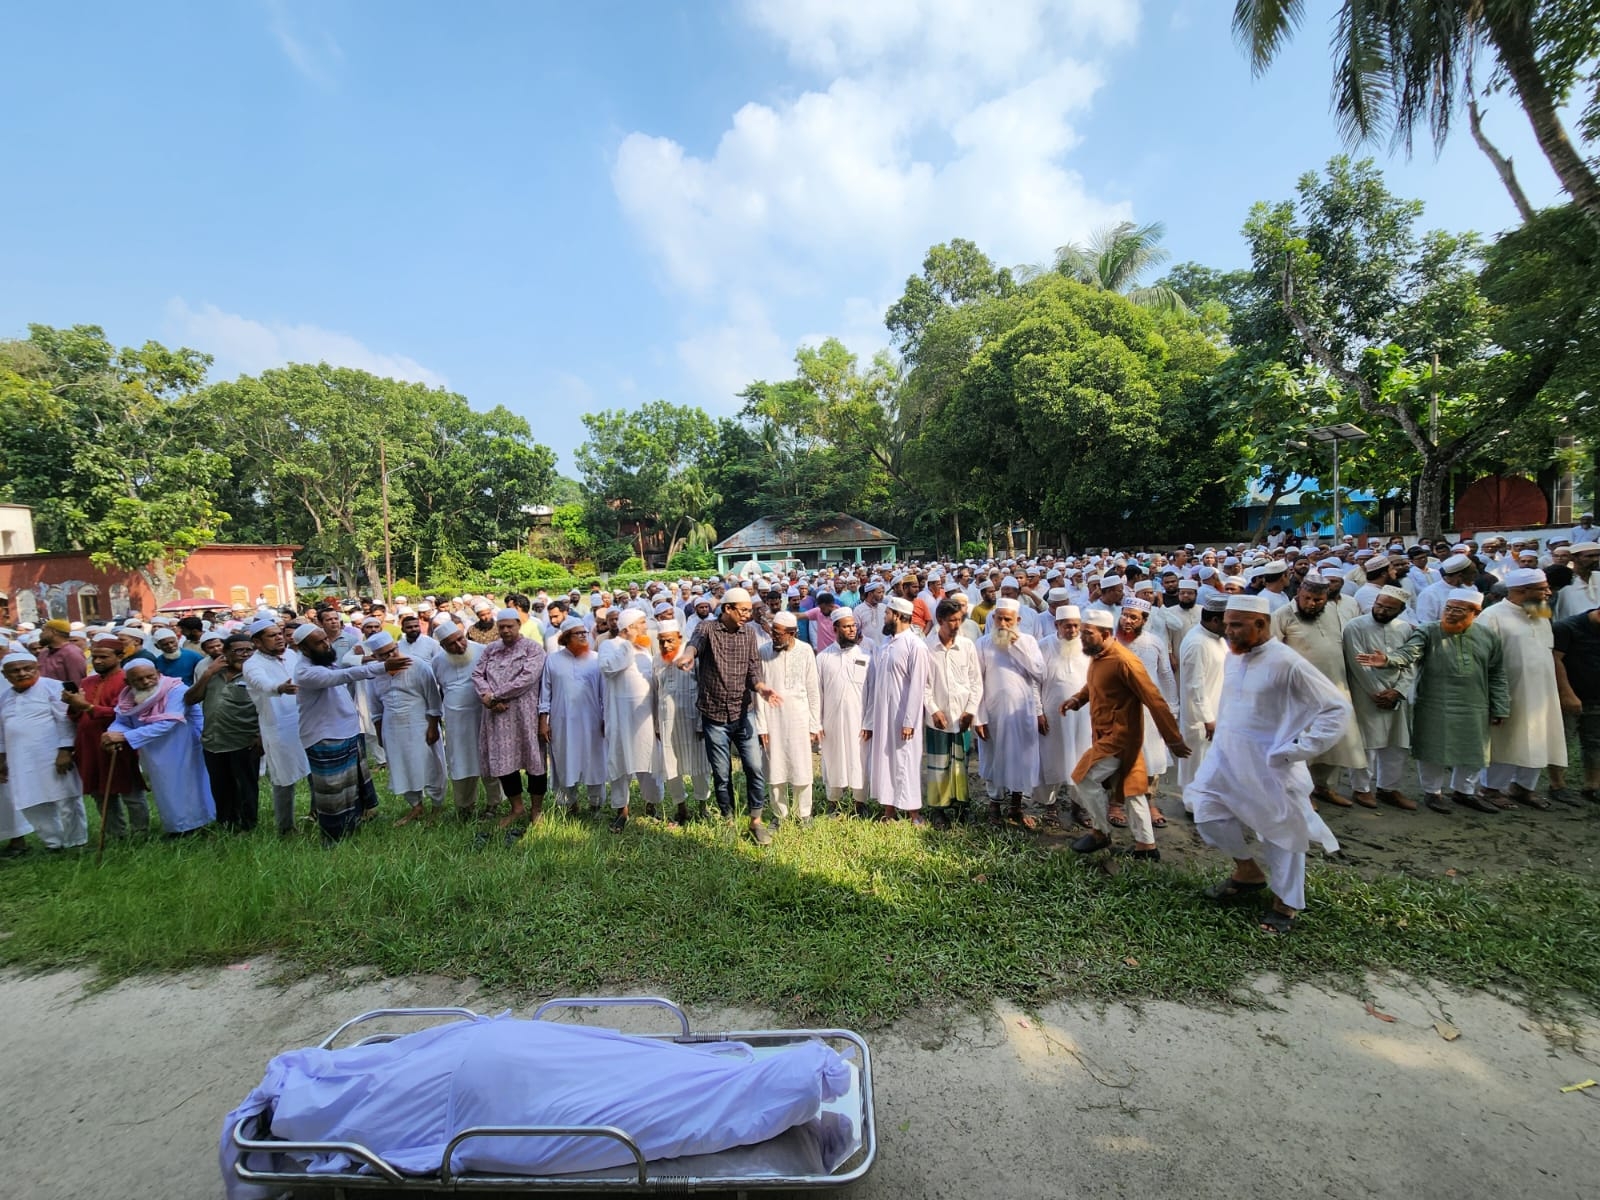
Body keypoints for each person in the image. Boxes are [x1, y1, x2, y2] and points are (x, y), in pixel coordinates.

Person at [1187, 595, 1351, 935]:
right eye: (1226, 624)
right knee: (1206, 811)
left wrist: (1298, 749)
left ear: (1261, 624)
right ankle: (1247, 872)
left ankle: (1286, 903)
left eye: (1236, 625)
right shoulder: (1235, 657)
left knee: (1283, 834)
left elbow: (1335, 708)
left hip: (1272, 764)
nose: (1227, 631)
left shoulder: (1286, 662)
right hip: (1227, 757)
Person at [1355, 588, 1510, 814]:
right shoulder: (1429, 631)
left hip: (1475, 701)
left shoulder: (1487, 636)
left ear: (1475, 612)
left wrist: (1500, 706)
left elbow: (1497, 673)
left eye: (1458, 610)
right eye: (1448, 608)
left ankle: (1464, 791)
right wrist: (1388, 660)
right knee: (1434, 747)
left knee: (1474, 748)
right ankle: (1433, 792)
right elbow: (1409, 653)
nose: (1451, 614)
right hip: (1436, 701)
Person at [1065, 610, 1189, 861]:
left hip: (1120, 737)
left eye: (1087, 634)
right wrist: (1078, 699)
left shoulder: (1125, 661)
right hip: (1105, 734)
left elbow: (1154, 700)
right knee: (1133, 789)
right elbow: (1095, 684)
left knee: (1084, 778)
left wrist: (1173, 738)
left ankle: (1100, 831)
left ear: (1106, 634)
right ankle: (1147, 846)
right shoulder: (1098, 654)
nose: (1082, 638)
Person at [671, 587, 782, 844]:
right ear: (728, 609)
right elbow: (693, 646)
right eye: (743, 610)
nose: (747, 615)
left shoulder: (749, 635)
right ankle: (728, 820)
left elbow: (754, 670)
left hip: (744, 713)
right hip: (714, 715)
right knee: (722, 774)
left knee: (754, 767)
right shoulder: (707, 629)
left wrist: (762, 688)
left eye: (748, 610)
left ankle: (756, 820)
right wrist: (687, 657)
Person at [290, 624, 411, 841]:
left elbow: (345, 668)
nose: (326, 644)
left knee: (351, 786)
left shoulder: (326, 663)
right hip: (325, 737)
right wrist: (382, 666)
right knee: (333, 790)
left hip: (348, 732)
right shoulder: (305, 671)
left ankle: (352, 825)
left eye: (325, 639)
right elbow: (345, 675)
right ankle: (333, 835)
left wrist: (373, 661)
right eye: (318, 642)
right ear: (304, 649)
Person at [1270, 573, 1370, 808]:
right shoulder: (1282, 615)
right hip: (1300, 694)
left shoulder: (1333, 612)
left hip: (1336, 688)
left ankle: (1325, 787)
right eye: (1307, 598)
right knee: (1304, 744)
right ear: (1299, 594)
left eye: (1318, 600)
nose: (1312, 604)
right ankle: (1301, 792)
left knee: (1335, 741)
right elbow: (1271, 654)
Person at [1477, 568, 1567, 809]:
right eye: (1542, 588)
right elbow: (1482, 660)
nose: (1548, 592)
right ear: (1520, 591)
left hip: (1542, 692)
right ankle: (1491, 788)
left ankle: (1523, 788)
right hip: (1509, 692)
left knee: (1541, 736)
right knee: (1507, 740)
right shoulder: (1492, 616)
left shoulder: (1539, 611)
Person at [102, 658, 215, 837]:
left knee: (189, 787)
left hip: (183, 746)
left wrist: (124, 736)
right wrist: (112, 734)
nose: (145, 682)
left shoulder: (176, 690)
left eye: (150, 676)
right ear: (128, 681)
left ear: (158, 673)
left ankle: (197, 827)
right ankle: (176, 827)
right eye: (138, 679)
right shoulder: (128, 696)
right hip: (154, 751)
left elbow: (168, 722)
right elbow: (122, 721)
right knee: (165, 790)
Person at [1340, 587, 1419, 810]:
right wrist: (1377, 692)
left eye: (1389, 608)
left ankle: (1388, 788)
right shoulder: (1356, 626)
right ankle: (1361, 789)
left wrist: (1398, 691)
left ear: (1401, 610)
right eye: (1379, 605)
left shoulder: (1404, 628)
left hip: (1395, 695)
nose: (1382, 611)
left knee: (1397, 744)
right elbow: (1357, 664)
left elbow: (1411, 662)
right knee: (1366, 744)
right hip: (1366, 694)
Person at [63, 632, 148, 838]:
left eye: (104, 657)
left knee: (130, 792)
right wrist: (74, 705)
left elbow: (127, 712)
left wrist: (88, 706)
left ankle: (140, 834)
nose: (98, 661)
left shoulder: (128, 681)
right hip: (89, 745)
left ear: (119, 657)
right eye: (95, 656)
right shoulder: (87, 682)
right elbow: (76, 716)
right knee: (101, 793)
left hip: (118, 742)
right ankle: (115, 834)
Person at [0, 649, 87, 850]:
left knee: (66, 798)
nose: (22, 673)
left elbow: (65, 720)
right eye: (15, 671)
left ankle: (76, 841)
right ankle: (53, 843)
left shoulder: (54, 688)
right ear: (5, 675)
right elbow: (2, 730)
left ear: (37, 668)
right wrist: (1, 758)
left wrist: (65, 750)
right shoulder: (5, 697)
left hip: (53, 754)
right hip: (19, 758)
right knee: (30, 802)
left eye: (27, 669)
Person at [472, 609, 550, 830]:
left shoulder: (533, 649)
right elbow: (477, 674)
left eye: (510, 626)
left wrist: (495, 695)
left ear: (518, 625)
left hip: (525, 714)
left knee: (534, 761)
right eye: (502, 626)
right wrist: (488, 699)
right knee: (505, 762)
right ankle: (517, 808)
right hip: (497, 716)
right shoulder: (491, 650)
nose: (505, 630)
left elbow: (527, 678)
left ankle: (537, 809)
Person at [973, 597, 1045, 828]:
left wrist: (1018, 646)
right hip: (992, 714)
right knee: (994, 758)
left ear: (1018, 621)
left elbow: (1039, 674)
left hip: (1022, 713)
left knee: (1020, 760)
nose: (1003, 624)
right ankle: (994, 805)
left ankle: (1016, 806)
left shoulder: (1029, 642)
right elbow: (977, 682)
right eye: (999, 619)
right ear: (993, 619)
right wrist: (979, 717)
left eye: (1008, 620)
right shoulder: (983, 643)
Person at [860, 595, 931, 822]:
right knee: (885, 760)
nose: (885, 616)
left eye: (888, 613)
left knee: (906, 761)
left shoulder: (915, 645)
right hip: (883, 715)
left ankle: (913, 813)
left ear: (899, 616)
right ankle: (889, 811)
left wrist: (910, 721)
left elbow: (918, 687)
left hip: (903, 717)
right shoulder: (885, 646)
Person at [185, 635, 264, 831]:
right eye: (239, 650)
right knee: (220, 786)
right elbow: (190, 699)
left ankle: (247, 826)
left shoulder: (257, 675)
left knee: (245, 786)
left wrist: (261, 735)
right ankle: (226, 823)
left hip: (245, 740)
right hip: (213, 740)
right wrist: (207, 674)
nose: (245, 655)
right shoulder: (211, 673)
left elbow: (269, 707)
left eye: (249, 650)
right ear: (225, 653)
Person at [369, 632, 448, 826]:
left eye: (392, 651)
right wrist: (380, 735)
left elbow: (433, 699)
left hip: (420, 724)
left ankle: (437, 807)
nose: (390, 657)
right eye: (383, 655)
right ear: (375, 657)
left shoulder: (418, 665)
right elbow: (376, 709)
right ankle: (416, 806)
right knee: (401, 765)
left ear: (397, 646)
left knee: (431, 765)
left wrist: (433, 727)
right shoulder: (374, 673)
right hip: (392, 728)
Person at [753, 610, 822, 828]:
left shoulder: (805, 651)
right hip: (772, 719)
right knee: (775, 767)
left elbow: (813, 690)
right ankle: (779, 814)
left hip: (799, 718)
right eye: (773, 631)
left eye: (778, 633)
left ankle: (804, 813)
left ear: (792, 633)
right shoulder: (764, 651)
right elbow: (758, 693)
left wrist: (814, 724)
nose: (773, 636)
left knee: (802, 766)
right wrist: (761, 726)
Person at [242, 617, 310, 834]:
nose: (279, 638)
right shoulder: (252, 664)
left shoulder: (292, 655)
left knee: (317, 770)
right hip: (278, 727)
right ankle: (286, 827)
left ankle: (319, 813)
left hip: (306, 720)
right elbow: (261, 683)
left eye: (280, 633)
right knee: (283, 778)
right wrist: (279, 688)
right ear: (258, 643)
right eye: (272, 636)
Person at [597, 609, 662, 830]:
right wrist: (627, 643)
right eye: (641, 623)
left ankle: (651, 804)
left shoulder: (645, 649)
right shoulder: (610, 645)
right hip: (619, 716)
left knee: (648, 758)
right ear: (629, 627)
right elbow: (608, 668)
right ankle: (621, 810)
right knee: (620, 761)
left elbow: (652, 684)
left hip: (644, 718)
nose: (645, 627)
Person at [429, 620, 497, 820]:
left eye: (460, 639)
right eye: (452, 644)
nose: (459, 646)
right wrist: (434, 723)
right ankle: (465, 806)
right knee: (460, 761)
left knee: (488, 759)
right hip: (456, 721)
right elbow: (436, 693)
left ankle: (494, 803)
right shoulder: (438, 661)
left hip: (484, 716)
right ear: (443, 646)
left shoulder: (484, 652)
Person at [540, 620, 604, 816]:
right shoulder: (552, 660)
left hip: (592, 720)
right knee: (565, 759)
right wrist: (543, 721)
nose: (584, 636)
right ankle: (569, 804)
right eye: (578, 633)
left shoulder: (596, 659)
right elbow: (545, 693)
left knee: (594, 760)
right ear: (566, 638)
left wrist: (606, 718)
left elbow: (604, 693)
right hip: (562, 721)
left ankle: (596, 804)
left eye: (585, 632)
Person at [1035, 605, 1091, 828]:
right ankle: (1050, 807)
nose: (1073, 630)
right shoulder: (1043, 646)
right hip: (1052, 714)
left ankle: (1079, 806)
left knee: (1082, 758)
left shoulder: (1089, 645)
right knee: (1051, 759)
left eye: (1077, 625)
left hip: (1083, 715)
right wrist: (1038, 711)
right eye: (1068, 625)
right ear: (1057, 625)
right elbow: (1033, 682)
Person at [652, 619, 709, 824]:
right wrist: (657, 725)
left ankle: (703, 806)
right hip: (667, 724)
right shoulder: (657, 660)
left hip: (693, 721)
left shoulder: (692, 657)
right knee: (671, 765)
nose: (665, 646)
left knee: (700, 764)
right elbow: (656, 692)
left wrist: (703, 721)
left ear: (680, 638)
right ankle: (681, 808)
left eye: (669, 641)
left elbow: (704, 690)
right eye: (661, 642)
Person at [1176, 596, 1228, 814]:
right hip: (1201, 719)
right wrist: (1208, 718)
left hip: (1216, 712)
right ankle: (1193, 806)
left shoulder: (1217, 638)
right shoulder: (1197, 642)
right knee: (1196, 764)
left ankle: (1206, 802)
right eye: (1229, 621)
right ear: (1216, 620)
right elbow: (1194, 686)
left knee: (1209, 764)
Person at [816, 610, 870, 817]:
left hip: (859, 721)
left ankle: (860, 802)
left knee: (859, 760)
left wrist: (869, 722)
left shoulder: (866, 656)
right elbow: (817, 693)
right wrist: (817, 723)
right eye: (846, 627)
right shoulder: (823, 658)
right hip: (831, 721)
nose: (851, 630)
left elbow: (872, 693)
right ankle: (833, 802)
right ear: (835, 629)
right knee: (833, 759)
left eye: (854, 626)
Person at [1554, 603, 1600, 804]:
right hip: (1569, 695)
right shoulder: (1567, 628)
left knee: (1595, 742)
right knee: (1561, 741)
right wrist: (1567, 693)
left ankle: (1592, 786)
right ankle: (1557, 785)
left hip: (1596, 696)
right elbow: (1555, 660)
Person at [35, 619, 87, 684]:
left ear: (54, 632)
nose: (41, 634)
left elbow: (77, 683)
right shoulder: (44, 653)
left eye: (44, 631)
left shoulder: (72, 653)